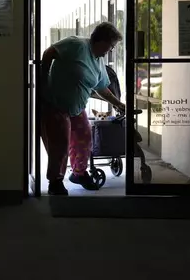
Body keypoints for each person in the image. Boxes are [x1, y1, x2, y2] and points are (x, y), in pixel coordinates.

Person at [40, 22, 126, 195]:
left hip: (77, 107)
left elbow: (101, 88)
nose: (110, 50)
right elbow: (48, 53)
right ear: (101, 40)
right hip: (56, 104)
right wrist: (43, 81)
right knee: (60, 144)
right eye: (111, 46)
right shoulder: (77, 45)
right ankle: (55, 181)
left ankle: (79, 174)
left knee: (84, 137)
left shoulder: (98, 61)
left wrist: (118, 104)